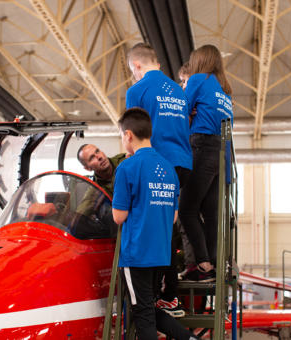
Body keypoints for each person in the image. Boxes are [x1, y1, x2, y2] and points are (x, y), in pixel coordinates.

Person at [112, 108, 197, 340]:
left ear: (128, 135)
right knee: (148, 308)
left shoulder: (127, 168)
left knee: (143, 313)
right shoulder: (169, 168)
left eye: (121, 136)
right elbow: (173, 217)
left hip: (137, 253)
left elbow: (118, 216)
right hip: (160, 254)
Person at [126, 42, 192, 316]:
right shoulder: (178, 90)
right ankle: (169, 294)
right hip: (184, 164)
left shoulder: (137, 90)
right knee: (168, 226)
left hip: (157, 163)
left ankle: (159, 293)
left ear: (137, 66)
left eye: (133, 70)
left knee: (149, 226)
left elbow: (131, 134)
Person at [179, 44, 233, 282]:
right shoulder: (224, 89)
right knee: (211, 213)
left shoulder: (198, 80)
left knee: (187, 209)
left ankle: (202, 264)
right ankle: (214, 262)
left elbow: (182, 110)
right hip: (220, 152)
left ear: (198, 61)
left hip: (200, 144)